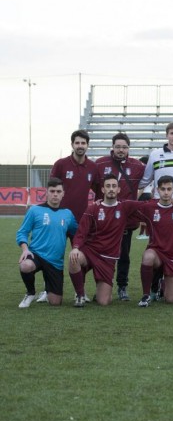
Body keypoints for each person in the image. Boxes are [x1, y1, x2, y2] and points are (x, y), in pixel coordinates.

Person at [68, 175, 143, 307]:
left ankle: (100, 291)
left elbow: (148, 206)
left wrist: (169, 200)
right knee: (74, 258)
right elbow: (81, 232)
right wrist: (76, 247)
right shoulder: (93, 208)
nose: (111, 189)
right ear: (102, 189)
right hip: (90, 251)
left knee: (104, 302)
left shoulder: (124, 207)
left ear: (119, 189)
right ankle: (80, 295)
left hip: (107, 259)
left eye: (114, 186)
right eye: (108, 186)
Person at [139, 122, 173, 297]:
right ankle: (155, 286)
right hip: (159, 208)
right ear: (167, 135)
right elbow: (145, 179)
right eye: (172, 133)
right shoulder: (155, 155)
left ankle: (171, 280)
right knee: (157, 247)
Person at [94, 132, 146, 301]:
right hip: (105, 219)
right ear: (113, 147)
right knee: (103, 253)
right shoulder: (100, 163)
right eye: (118, 146)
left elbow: (153, 181)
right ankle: (101, 284)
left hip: (126, 220)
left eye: (124, 147)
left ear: (128, 148)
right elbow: (94, 186)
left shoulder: (137, 165)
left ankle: (122, 286)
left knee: (124, 255)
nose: (121, 150)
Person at [16, 177, 78, 307]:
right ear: (46, 192)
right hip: (36, 255)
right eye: (52, 191)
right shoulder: (34, 210)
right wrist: (25, 249)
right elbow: (22, 232)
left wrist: (76, 247)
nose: (55, 194)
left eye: (58, 191)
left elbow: (77, 233)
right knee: (25, 266)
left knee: (55, 302)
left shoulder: (67, 214)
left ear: (63, 194)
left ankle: (47, 289)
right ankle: (31, 292)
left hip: (55, 261)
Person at [134, 176, 173, 307]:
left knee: (171, 300)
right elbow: (127, 208)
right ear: (157, 190)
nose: (166, 192)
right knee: (148, 256)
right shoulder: (149, 207)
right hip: (157, 252)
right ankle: (146, 295)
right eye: (163, 189)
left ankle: (162, 284)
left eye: (169, 189)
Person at [50, 129, 99, 224]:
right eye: (77, 143)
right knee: (58, 239)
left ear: (87, 145)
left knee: (80, 240)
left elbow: (98, 191)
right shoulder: (61, 164)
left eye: (83, 143)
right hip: (60, 215)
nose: (80, 146)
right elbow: (51, 189)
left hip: (81, 217)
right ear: (72, 144)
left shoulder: (93, 167)